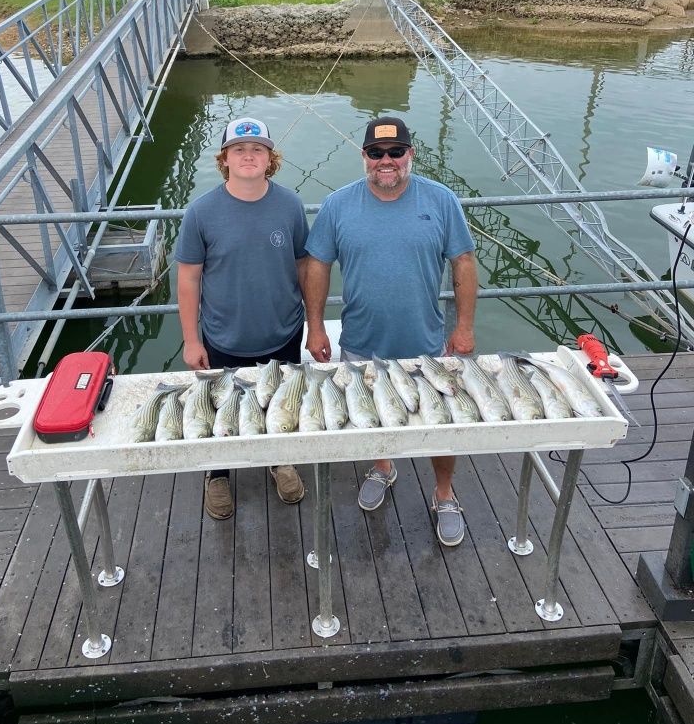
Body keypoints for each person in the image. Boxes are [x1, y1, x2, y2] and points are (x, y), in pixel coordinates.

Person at [303, 116, 478, 546]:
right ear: (364, 156)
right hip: (361, 344)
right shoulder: (337, 205)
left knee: (442, 427)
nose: (387, 161)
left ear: (410, 155)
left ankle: (444, 492)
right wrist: (315, 328)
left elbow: (464, 263)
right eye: (377, 153)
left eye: (396, 152)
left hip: (426, 345)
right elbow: (318, 266)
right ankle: (383, 466)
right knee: (370, 419)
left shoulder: (441, 200)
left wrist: (465, 327)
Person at [176, 117, 308, 520]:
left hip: (283, 332)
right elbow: (188, 279)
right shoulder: (201, 212)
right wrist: (192, 340)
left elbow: (304, 265)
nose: (248, 156)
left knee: (280, 402)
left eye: (257, 150)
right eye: (239, 150)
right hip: (222, 337)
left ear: (271, 159)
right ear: (224, 159)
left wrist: (315, 324)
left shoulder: (291, 205)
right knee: (221, 408)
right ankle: (218, 473)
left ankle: (278, 458)